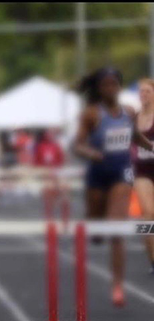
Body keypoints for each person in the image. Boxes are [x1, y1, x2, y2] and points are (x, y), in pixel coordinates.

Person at [73, 67, 154, 307]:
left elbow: (136, 137)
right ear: (99, 89)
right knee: (97, 229)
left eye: (114, 85)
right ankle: (97, 228)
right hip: (98, 175)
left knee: (116, 227)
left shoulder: (128, 112)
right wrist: (92, 153)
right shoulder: (91, 114)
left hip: (122, 173)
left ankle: (117, 285)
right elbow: (77, 144)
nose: (110, 89)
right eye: (105, 85)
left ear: (119, 87)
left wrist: (151, 147)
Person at [132, 78, 154, 273]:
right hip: (142, 170)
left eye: (147, 91)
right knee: (147, 215)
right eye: (141, 92)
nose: (143, 95)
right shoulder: (134, 118)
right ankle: (152, 260)